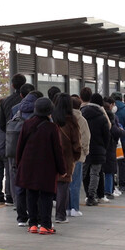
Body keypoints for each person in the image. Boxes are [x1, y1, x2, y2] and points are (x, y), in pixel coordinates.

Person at [15, 98, 66, 235]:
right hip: (47, 167)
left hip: (28, 165)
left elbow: (20, 146)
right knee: (46, 195)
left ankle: (32, 224)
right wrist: (62, 169)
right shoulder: (52, 128)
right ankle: (45, 225)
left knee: (31, 194)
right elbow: (58, 150)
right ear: (50, 111)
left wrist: (19, 164)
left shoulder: (27, 124)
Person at [9, 89, 40, 227]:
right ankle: (35, 215)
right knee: (34, 186)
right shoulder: (38, 112)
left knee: (19, 185)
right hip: (32, 154)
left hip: (15, 152)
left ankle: (21, 217)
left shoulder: (16, 109)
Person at [0, 74, 27, 205]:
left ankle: (13, 198)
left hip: (12, 140)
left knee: (12, 170)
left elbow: (2, 123)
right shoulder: (32, 101)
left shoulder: (5, 101)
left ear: (12, 85)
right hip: (28, 142)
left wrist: (10, 133)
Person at [52, 94, 81, 223]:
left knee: (48, 188)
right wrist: (75, 157)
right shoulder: (71, 121)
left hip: (50, 157)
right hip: (66, 158)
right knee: (63, 186)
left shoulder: (50, 119)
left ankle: (45, 216)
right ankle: (60, 215)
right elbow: (77, 143)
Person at [81, 93, 110, 206]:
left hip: (84, 148)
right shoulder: (102, 117)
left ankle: (85, 194)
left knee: (83, 173)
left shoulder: (82, 114)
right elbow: (106, 135)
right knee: (95, 174)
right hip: (98, 149)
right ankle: (91, 196)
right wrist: (103, 147)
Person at [68, 96, 90, 217]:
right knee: (75, 182)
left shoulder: (63, 118)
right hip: (78, 155)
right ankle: (74, 208)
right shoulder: (81, 120)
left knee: (66, 183)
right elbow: (86, 138)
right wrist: (85, 152)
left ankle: (66, 207)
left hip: (65, 155)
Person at [103, 97, 125, 200]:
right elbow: (116, 131)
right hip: (110, 146)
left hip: (98, 146)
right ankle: (109, 190)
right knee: (110, 169)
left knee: (97, 171)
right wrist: (122, 131)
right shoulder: (111, 117)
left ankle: (103, 190)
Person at [112, 92, 125, 193]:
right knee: (123, 163)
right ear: (122, 99)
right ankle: (122, 184)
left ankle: (112, 184)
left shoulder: (110, 110)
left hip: (112, 140)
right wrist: (122, 134)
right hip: (124, 141)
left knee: (111, 162)